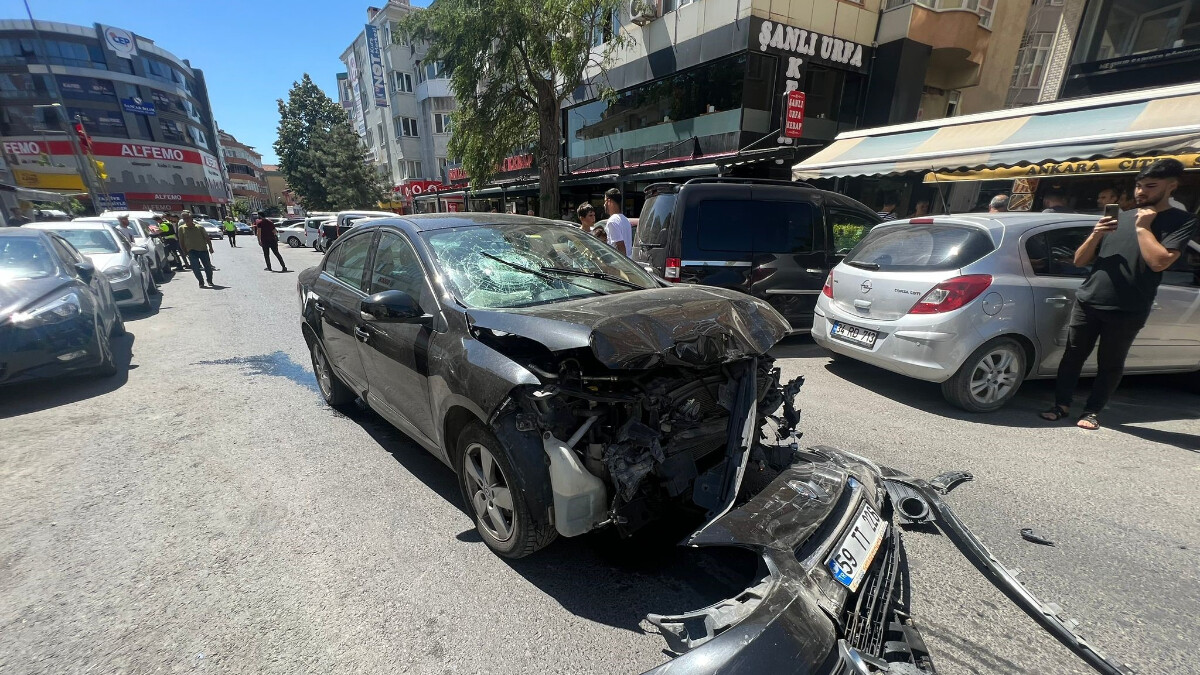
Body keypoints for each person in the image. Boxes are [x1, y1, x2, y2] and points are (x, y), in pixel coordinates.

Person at [1040, 159, 1197, 430]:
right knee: (1073, 355)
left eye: (1150, 186)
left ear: (1172, 186)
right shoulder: (1119, 217)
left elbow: (1160, 262)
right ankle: (1060, 404)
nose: (1141, 192)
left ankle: (1092, 411)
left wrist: (1143, 227)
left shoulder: (1181, 221)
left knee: (1110, 363)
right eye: (1138, 186)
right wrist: (1095, 235)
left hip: (1130, 305)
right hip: (1089, 298)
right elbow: (1080, 261)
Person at [177, 210, 215, 287]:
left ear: (191, 218)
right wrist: (184, 251)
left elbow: (207, 238)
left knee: (207, 267)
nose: (186, 220)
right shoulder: (181, 228)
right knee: (195, 268)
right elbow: (181, 241)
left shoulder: (199, 227)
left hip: (203, 250)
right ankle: (201, 281)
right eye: (184, 219)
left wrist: (210, 247)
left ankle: (209, 280)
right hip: (191, 251)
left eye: (188, 218)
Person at [603, 188, 632, 256]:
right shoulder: (626, 220)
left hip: (618, 264)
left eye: (605, 201)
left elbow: (620, 247)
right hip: (630, 262)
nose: (604, 205)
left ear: (609, 201)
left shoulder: (612, 221)